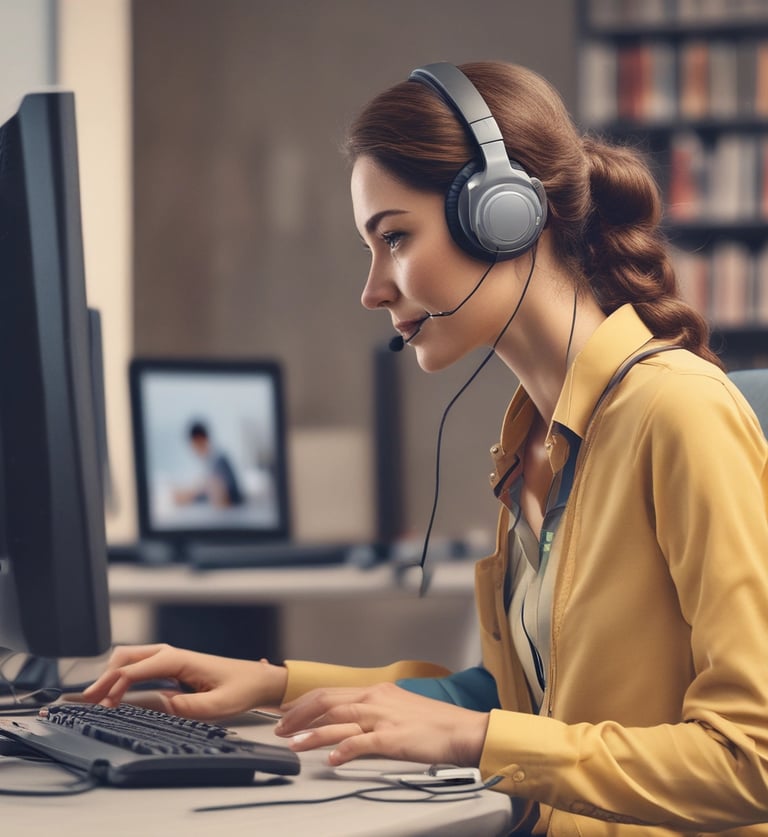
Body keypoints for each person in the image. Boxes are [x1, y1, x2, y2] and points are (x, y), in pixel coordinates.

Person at [83, 61, 768, 835]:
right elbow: (517, 706)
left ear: (502, 214)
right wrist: (270, 682)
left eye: (395, 238)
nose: (373, 289)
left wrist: (471, 738)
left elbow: (753, 760)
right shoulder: (529, 446)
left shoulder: (678, 412)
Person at [172, 420, 245, 508]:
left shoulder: (218, 460)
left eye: (193, 445)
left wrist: (191, 494)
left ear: (199, 439)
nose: (194, 450)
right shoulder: (212, 461)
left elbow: (222, 497)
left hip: (232, 515)